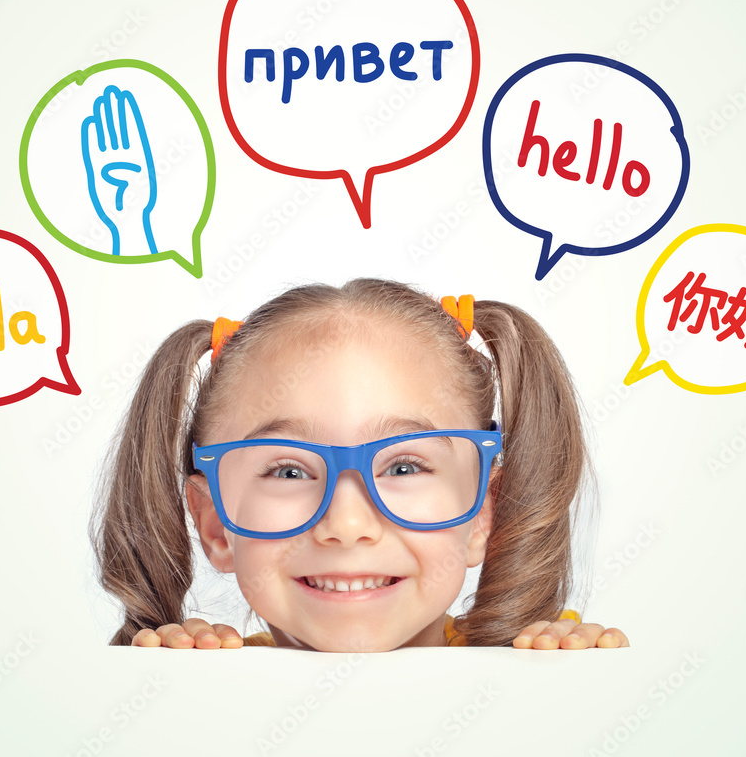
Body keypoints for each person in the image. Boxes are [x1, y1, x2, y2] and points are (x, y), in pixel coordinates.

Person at [92, 278, 628, 651]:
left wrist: (571, 689)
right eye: (288, 471)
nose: (347, 525)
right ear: (215, 525)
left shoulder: (543, 660)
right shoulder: (203, 680)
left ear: (485, 511)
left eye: (404, 467)